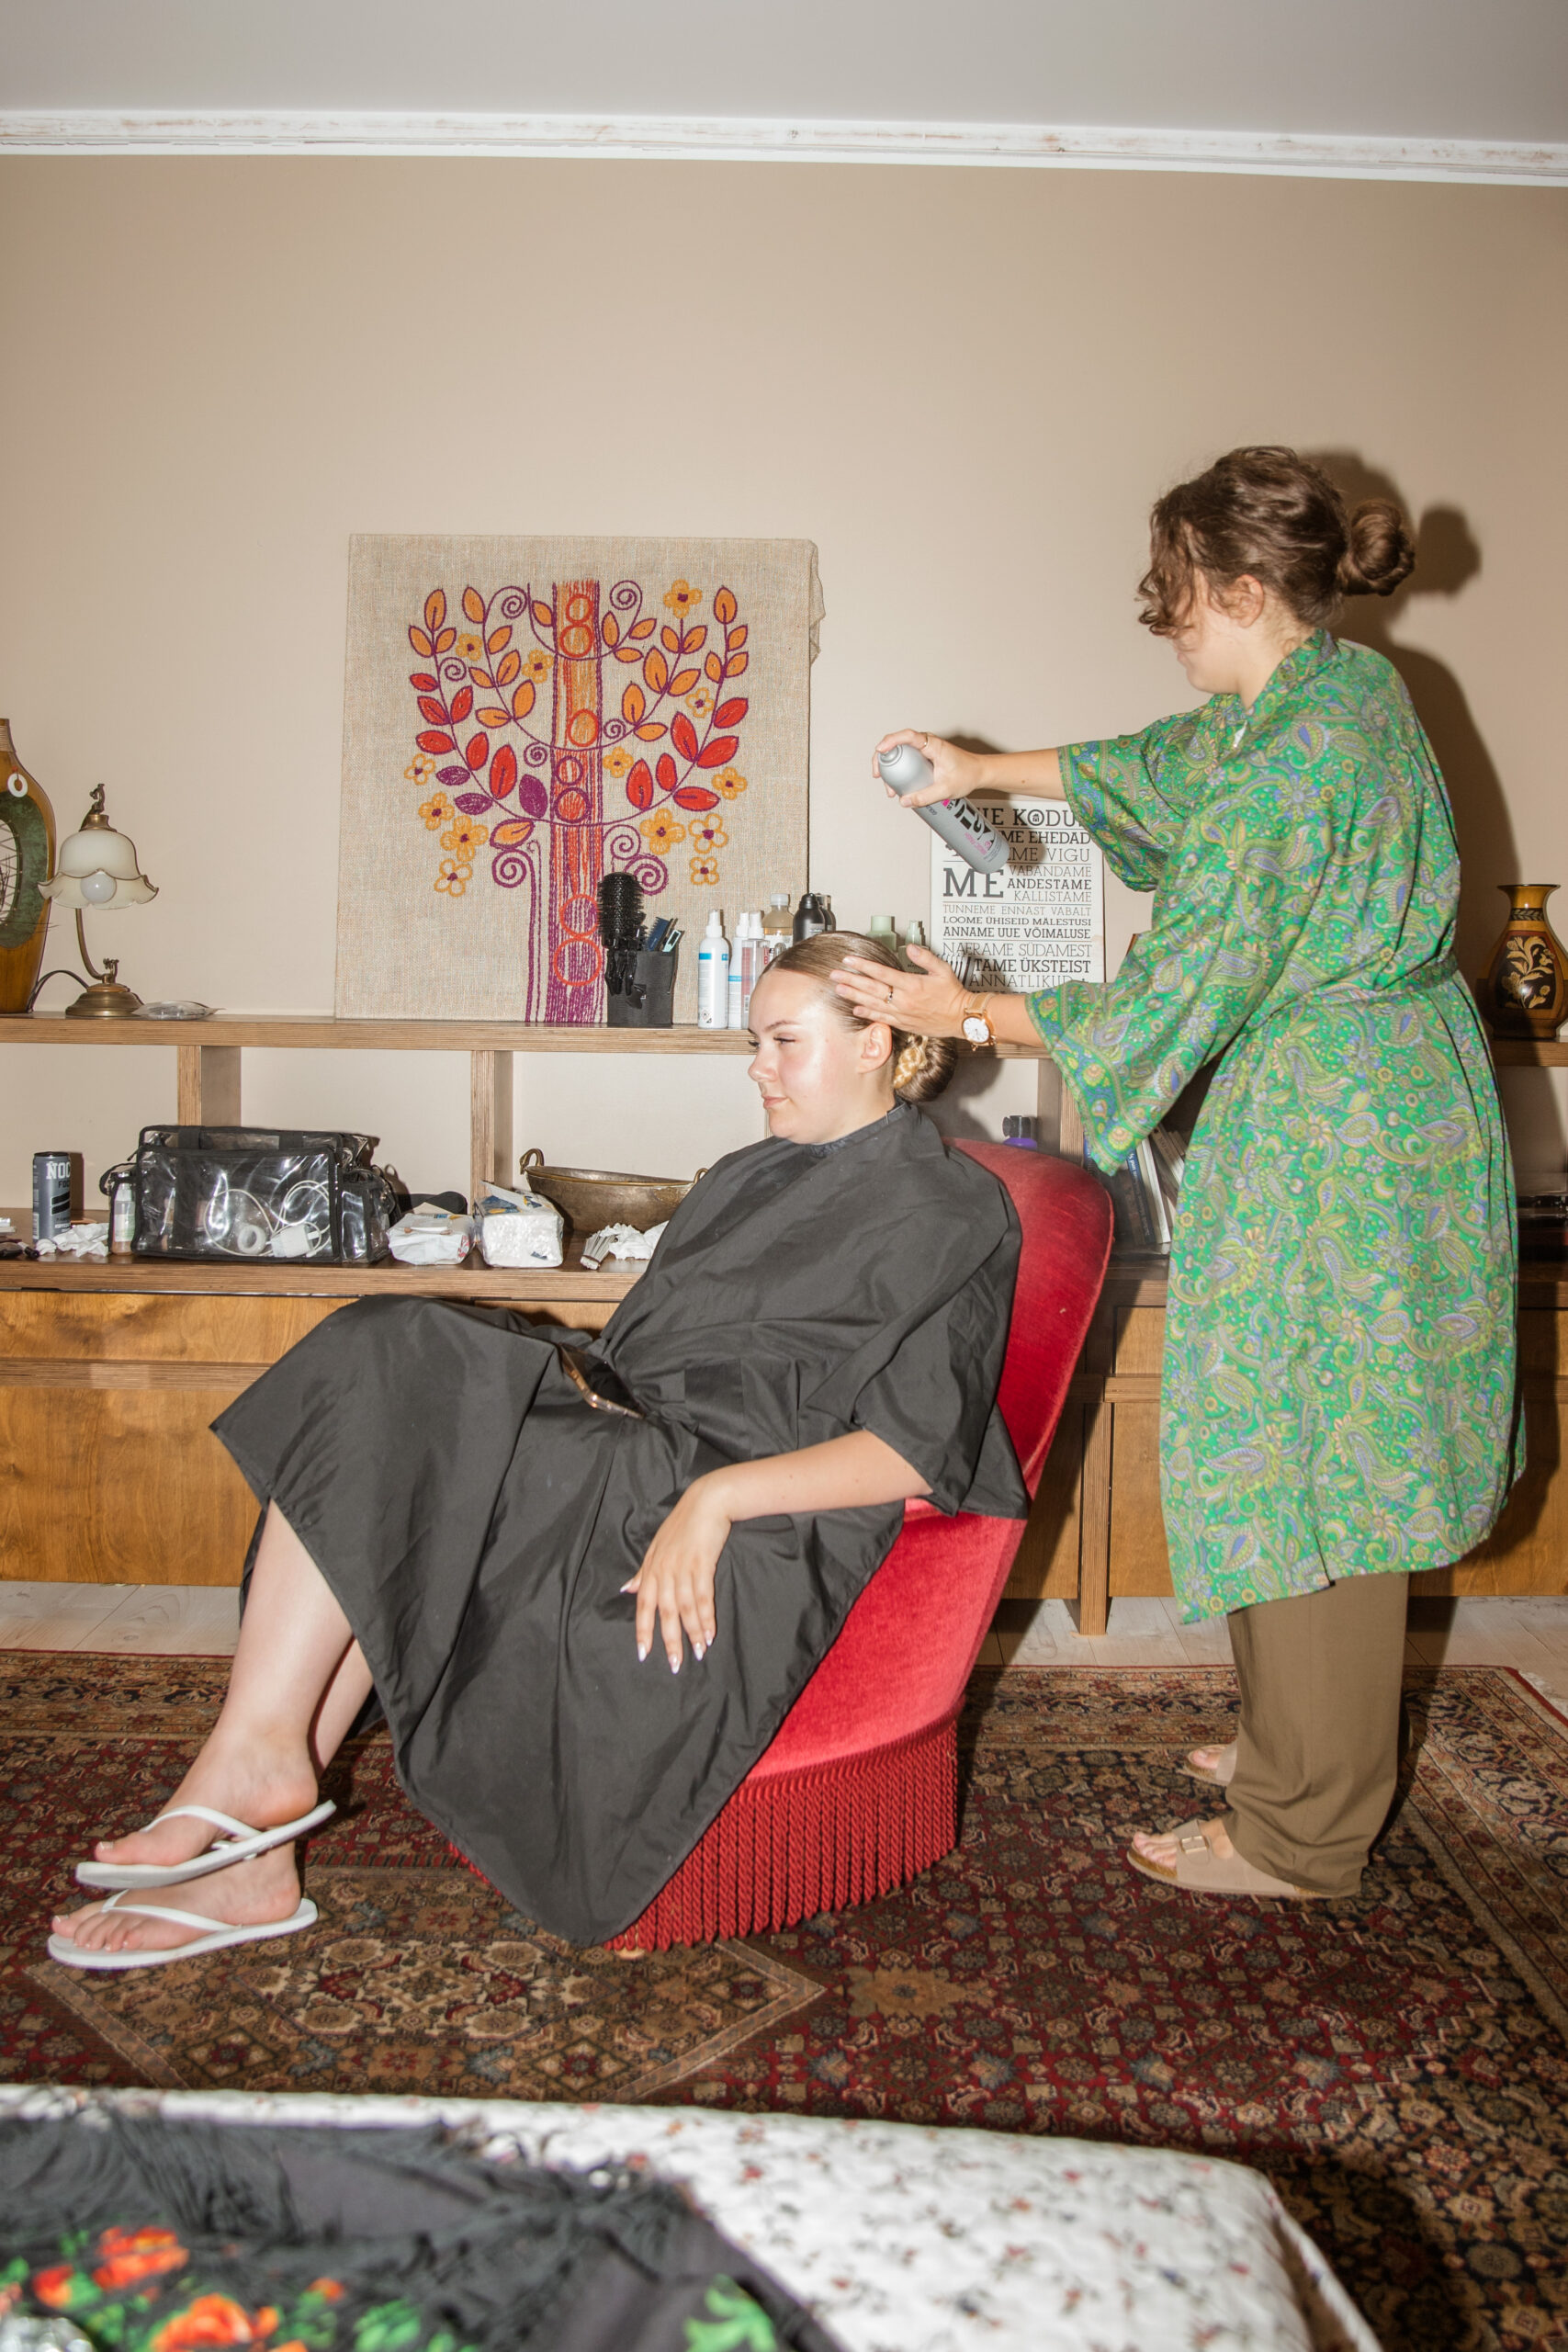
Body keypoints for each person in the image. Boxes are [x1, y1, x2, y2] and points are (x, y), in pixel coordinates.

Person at [51, 934, 1027, 1965]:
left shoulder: (949, 1206)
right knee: (388, 1366)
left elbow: (918, 1449)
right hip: (629, 1433)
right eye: (754, 1042)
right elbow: (649, 1345)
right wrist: (559, 1379)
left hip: (726, 1492)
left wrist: (716, 1501)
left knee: (399, 1370)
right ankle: (258, 1802)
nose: (755, 1067)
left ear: (876, 1041)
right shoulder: (750, 1172)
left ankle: (255, 1794)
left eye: (784, 1041)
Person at [835, 446, 1518, 1903]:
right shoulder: (1330, 689)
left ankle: (1302, 1831)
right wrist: (977, 771)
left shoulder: (1297, 760)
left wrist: (962, 1012)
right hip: (1346, 1107)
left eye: (1174, 593)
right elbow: (1154, 765)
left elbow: (1174, 984)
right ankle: (1293, 1743)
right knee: (1274, 1424)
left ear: (1240, 588)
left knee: (1322, 1456)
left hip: (1343, 1131)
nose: (1161, 620)